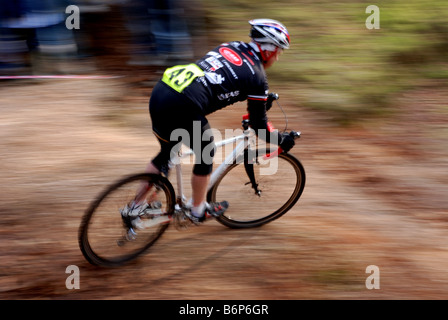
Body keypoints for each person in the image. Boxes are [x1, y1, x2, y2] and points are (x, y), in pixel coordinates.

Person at [123, 19, 296, 225]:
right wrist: (281, 139)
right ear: (268, 50)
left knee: (166, 154)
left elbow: (223, 77)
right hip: (183, 105)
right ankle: (198, 210)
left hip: (163, 91)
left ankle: (134, 207)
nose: (277, 57)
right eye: (278, 51)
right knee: (206, 150)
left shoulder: (229, 46)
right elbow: (259, 126)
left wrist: (260, 100)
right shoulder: (258, 77)